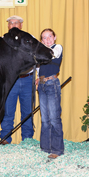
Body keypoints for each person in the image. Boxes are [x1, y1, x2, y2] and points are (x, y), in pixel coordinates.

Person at [0, 15, 34, 144]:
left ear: (21, 25)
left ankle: (27, 139)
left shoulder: (30, 40)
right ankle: (5, 138)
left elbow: (37, 57)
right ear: (8, 26)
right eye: (11, 23)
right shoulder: (3, 41)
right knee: (8, 110)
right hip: (10, 80)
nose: (13, 25)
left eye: (16, 23)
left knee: (27, 111)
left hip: (27, 79)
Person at [36, 28, 64, 159]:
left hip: (52, 84)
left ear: (54, 37)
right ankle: (46, 147)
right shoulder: (41, 52)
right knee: (45, 119)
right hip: (42, 85)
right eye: (44, 38)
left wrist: (39, 50)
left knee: (54, 117)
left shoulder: (57, 47)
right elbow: (38, 67)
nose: (47, 40)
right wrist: (37, 78)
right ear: (41, 40)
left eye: (49, 37)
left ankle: (57, 149)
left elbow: (53, 54)